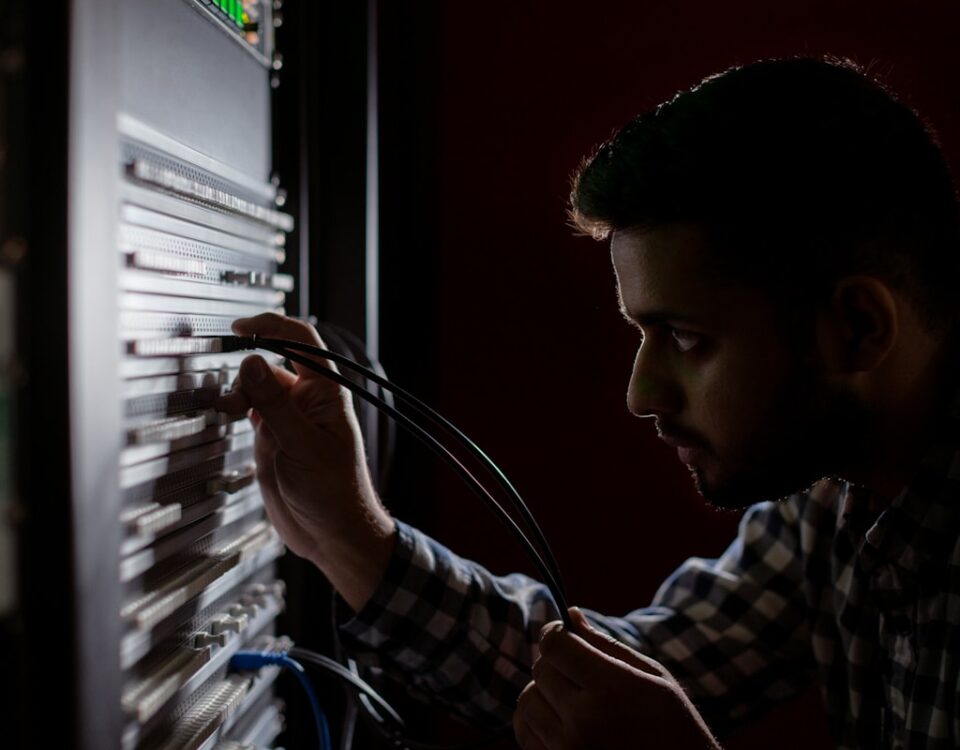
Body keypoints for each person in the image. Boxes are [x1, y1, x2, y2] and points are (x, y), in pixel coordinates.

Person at [217, 56, 960, 749]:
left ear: (859, 328)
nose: (641, 393)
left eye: (689, 338)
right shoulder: (836, 503)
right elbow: (616, 674)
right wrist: (349, 535)